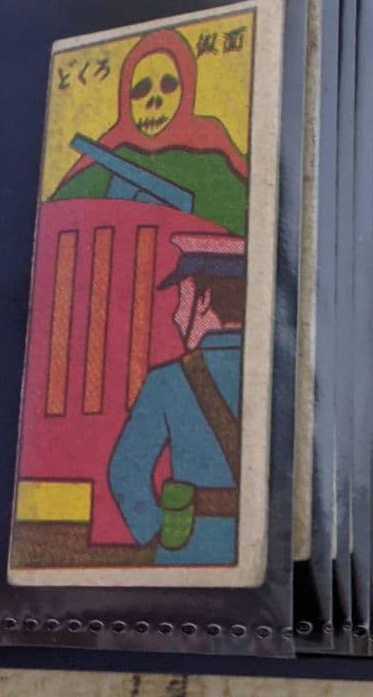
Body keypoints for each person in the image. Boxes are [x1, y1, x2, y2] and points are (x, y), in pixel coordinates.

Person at [108, 234, 246, 565]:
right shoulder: (270, 376)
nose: (176, 315)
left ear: (204, 299)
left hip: (189, 548)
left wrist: (156, 531)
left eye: (182, 299)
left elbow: (125, 470)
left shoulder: (168, 379)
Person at [52, 27, 247, 235]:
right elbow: (58, 212)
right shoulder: (113, 152)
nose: (154, 102)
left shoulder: (211, 154)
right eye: (141, 90)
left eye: (168, 86)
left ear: (186, 90)